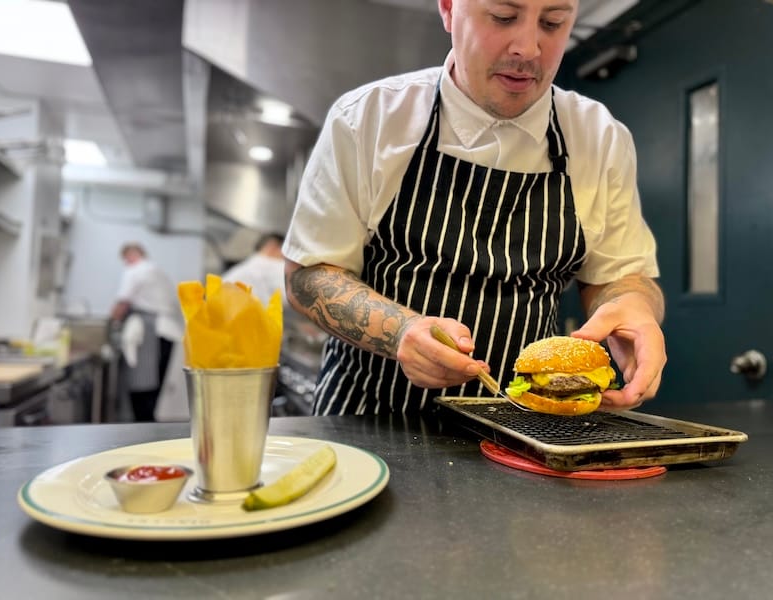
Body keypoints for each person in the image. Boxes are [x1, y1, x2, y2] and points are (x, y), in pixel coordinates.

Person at [282, 0, 666, 416]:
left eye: (553, 23)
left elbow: (622, 275)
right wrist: (401, 332)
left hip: (527, 434)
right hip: (369, 420)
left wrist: (633, 306)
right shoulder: (369, 119)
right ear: (448, 9)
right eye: (503, 17)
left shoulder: (600, 137)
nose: (528, 48)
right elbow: (308, 277)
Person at [111, 242, 183, 422]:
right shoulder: (158, 271)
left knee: (142, 383)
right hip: (169, 331)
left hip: (148, 330)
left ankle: (143, 425)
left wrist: (112, 322)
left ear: (131, 255)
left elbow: (123, 302)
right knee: (156, 385)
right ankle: (151, 425)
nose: (126, 263)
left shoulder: (135, 271)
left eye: (126, 258)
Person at [222, 233, 286, 306]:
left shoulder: (246, 265)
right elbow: (289, 295)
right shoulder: (273, 264)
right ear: (272, 246)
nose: (286, 256)